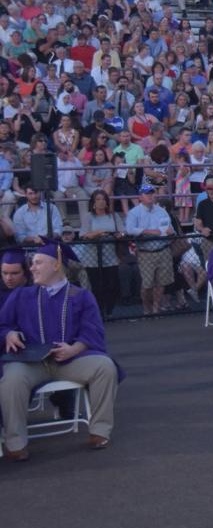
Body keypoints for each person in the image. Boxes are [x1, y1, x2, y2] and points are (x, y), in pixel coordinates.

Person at [1, 240, 122, 460]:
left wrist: (74, 348)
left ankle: (100, 431)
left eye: (38, 263)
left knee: (104, 367)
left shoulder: (81, 296)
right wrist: (8, 334)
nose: (32, 268)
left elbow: (93, 331)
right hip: (32, 363)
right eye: (32, 263)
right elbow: (3, 324)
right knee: (12, 378)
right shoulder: (21, 296)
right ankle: (15, 443)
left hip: (70, 361)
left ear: (56, 265)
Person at [124, 185, 175, 314]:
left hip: (163, 249)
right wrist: (150, 232)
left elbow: (170, 228)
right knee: (146, 285)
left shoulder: (161, 211)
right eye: (147, 194)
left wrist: (170, 231)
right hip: (146, 252)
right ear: (140, 197)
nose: (150, 196)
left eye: (152, 193)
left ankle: (156, 308)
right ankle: (146, 308)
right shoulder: (134, 212)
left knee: (161, 283)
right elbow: (129, 230)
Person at [79, 190, 124, 319]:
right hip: (92, 257)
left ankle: (110, 310)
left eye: (103, 199)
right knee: (97, 286)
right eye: (98, 199)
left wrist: (118, 235)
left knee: (112, 285)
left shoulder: (114, 216)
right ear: (93, 202)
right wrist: (98, 233)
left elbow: (122, 232)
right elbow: (83, 235)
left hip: (111, 256)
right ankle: (98, 312)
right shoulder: (88, 217)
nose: (101, 202)